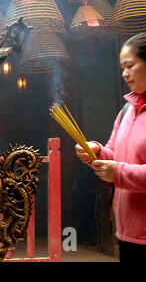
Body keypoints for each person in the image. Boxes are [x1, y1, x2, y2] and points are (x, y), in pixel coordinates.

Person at [75, 32, 146, 262]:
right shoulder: (126, 111)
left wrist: (117, 172)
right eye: (122, 68)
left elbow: (119, 167)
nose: (125, 74)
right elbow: (113, 152)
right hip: (126, 232)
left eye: (130, 66)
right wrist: (95, 150)